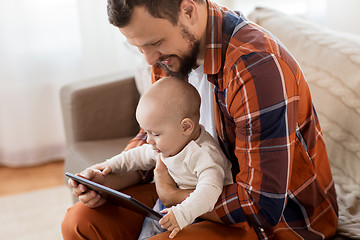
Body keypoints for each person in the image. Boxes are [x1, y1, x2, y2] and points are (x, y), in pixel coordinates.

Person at [62, 0, 339, 239]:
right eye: (138, 47)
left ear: (189, 11)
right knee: (80, 222)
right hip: (191, 190)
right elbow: (157, 139)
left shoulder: (256, 67)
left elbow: (261, 206)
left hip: (275, 224)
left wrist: (174, 199)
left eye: (155, 43)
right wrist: (108, 180)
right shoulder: (171, 57)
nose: (149, 60)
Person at [91, 76, 233, 239]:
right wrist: (110, 165)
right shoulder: (169, 143)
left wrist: (181, 214)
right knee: (147, 232)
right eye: (146, 132)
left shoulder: (204, 154)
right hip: (169, 205)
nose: (149, 140)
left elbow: (209, 191)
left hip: (200, 211)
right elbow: (138, 155)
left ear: (186, 127)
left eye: (155, 133)